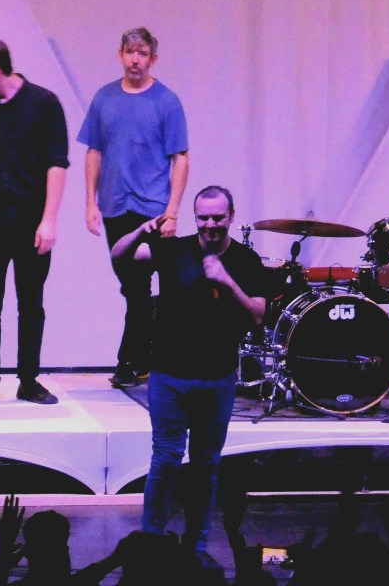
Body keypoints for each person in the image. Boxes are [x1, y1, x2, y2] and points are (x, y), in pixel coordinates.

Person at [110, 185, 267, 568]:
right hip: (170, 375)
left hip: (217, 378)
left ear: (231, 216)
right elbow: (120, 257)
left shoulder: (245, 260)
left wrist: (226, 280)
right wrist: (139, 232)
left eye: (218, 217)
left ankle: (196, 548)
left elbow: (257, 314)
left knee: (205, 466)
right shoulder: (173, 250)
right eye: (203, 217)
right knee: (165, 459)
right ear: (195, 218)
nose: (210, 224)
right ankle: (151, 543)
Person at [77, 27, 189, 389]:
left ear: (152, 59)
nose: (135, 60)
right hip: (114, 206)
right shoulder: (104, 98)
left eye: (142, 54)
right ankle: (144, 359)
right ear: (120, 55)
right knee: (132, 286)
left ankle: (131, 362)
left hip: (152, 207)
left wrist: (172, 212)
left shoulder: (166, 101)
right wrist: (90, 202)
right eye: (129, 52)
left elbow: (180, 158)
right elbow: (94, 151)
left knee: (140, 283)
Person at [0, 38, 68, 410]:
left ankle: (28, 380)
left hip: (30, 219)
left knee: (31, 304)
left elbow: (57, 164)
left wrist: (49, 220)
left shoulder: (44, 103)